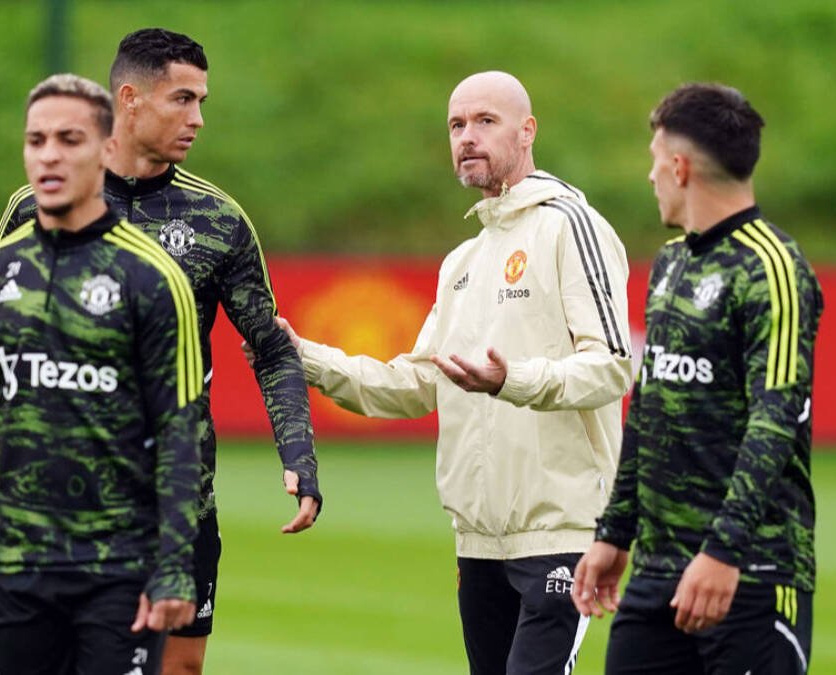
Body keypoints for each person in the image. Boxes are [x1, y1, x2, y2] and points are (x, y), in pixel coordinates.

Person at [0, 28, 321, 675]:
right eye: (182, 100)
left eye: (201, 101)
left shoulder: (217, 222)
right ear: (129, 100)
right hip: (39, 525)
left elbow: (269, 345)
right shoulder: (27, 216)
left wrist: (298, 453)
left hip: (166, 508)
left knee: (179, 667)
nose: (198, 119)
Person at [253, 71, 633, 675]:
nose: (467, 137)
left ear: (528, 130)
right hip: (477, 540)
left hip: (560, 532)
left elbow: (613, 365)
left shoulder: (568, 225)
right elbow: (416, 385)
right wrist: (306, 358)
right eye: (457, 125)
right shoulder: (463, 260)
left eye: (486, 121)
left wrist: (513, 380)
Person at [0, 73, 204, 674]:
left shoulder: (153, 278)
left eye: (69, 139)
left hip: (119, 573)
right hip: (18, 570)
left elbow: (181, 432)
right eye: (37, 139)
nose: (49, 154)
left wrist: (176, 563)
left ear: (105, 150)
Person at [572, 83, 823, 674]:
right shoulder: (671, 262)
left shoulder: (774, 268)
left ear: (680, 167)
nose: (651, 176)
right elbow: (652, 407)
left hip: (748, 575)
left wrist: (724, 553)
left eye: (656, 161)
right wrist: (616, 532)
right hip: (657, 576)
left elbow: (775, 422)